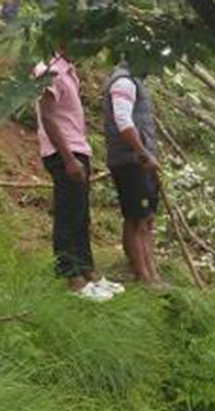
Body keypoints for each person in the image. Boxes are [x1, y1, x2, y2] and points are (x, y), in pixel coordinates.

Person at [35, 53, 119, 300]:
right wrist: (69, 159)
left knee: (81, 215)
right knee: (68, 216)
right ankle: (72, 279)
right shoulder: (48, 70)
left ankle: (88, 271)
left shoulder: (70, 71)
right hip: (64, 152)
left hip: (77, 149)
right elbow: (48, 116)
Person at [101, 61, 163, 287]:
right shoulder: (124, 82)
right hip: (131, 161)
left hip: (139, 160)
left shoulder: (134, 82)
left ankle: (148, 273)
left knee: (145, 218)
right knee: (138, 219)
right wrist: (143, 153)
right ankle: (145, 278)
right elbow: (123, 121)